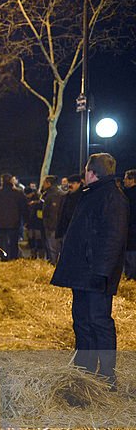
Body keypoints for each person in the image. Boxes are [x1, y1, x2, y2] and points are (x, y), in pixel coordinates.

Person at [51, 153, 129, 390]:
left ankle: (107, 376)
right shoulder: (94, 195)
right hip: (84, 273)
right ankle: (84, 368)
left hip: (95, 274)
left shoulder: (112, 197)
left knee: (99, 322)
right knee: (82, 321)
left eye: (86, 170)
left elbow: (113, 238)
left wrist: (102, 272)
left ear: (91, 172)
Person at [0, 173, 28, 260]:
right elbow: (24, 208)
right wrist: (26, 221)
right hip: (14, 223)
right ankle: (13, 258)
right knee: (13, 243)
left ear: (1, 181)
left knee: (0, 244)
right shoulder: (18, 193)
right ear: (11, 180)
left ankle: (2, 258)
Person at [40, 175, 66, 265]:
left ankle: (54, 265)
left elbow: (49, 211)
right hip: (58, 224)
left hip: (52, 225)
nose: (43, 185)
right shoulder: (60, 193)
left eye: (44, 183)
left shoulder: (52, 195)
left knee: (53, 248)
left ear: (48, 183)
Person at [55, 174, 84, 242]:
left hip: (77, 231)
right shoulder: (66, 196)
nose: (70, 185)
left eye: (73, 183)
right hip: (66, 230)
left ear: (79, 183)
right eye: (69, 183)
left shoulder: (82, 197)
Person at [122, 170, 136, 279]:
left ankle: (130, 277)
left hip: (130, 232)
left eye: (126, 178)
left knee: (130, 258)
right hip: (130, 231)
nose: (124, 180)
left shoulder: (127, 196)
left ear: (132, 180)